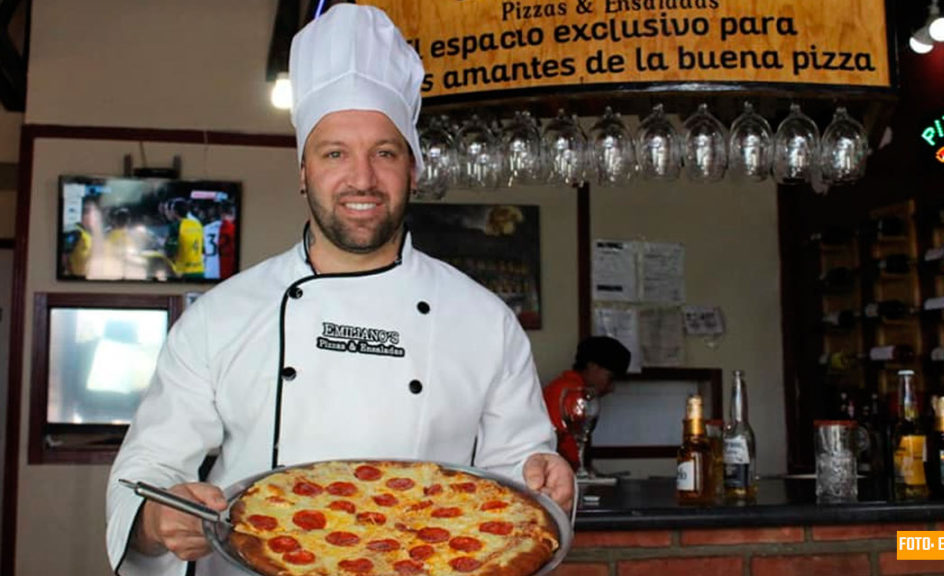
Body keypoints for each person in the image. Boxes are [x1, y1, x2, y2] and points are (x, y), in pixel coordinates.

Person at [104, 5, 573, 576]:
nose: (362, 179)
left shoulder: (484, 320)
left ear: (415, 169)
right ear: (303, 172)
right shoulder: (222, 316)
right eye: (334, 154)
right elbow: (152, 463)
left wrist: (544, 473)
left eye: (385, 152)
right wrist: (155, 522)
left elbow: (519, 478)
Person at [543, 336, 632, 470]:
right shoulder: (571, 393)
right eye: (610, 378)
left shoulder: (561, 386)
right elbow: (566, 451)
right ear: (592, 366)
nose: (612, 388)